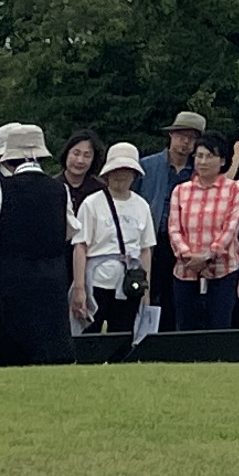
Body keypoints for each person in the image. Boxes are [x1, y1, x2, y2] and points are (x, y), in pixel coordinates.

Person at [0, 124, 83, 368]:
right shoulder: (60, 189)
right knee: (45, 345)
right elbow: (71, 229)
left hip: (8, 277)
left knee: (7, 348)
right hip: (49, 279)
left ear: (8, 159)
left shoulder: (1, 188)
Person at [166, 132, 239, 332]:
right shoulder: (181, 190)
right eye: (199, 156)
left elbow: (231, 227)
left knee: (218, 327)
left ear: (222, 161)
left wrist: (208, 255)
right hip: (186, 270)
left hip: (222, 271)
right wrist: (188, 255)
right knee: (186, 327)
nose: (203, 161)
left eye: (209, 156)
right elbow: (174, 228)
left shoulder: (234, 190)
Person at [78, 142, 159, 344]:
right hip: (97, 281)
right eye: (116, 170)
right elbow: (80, 246)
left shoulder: (141, 206)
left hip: (129, 282)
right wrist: (79, 287)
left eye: (126, 170)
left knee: (123, 337)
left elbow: (145, 249)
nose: (120, 175)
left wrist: (146, 289)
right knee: (90, 336)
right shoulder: (91, 203)